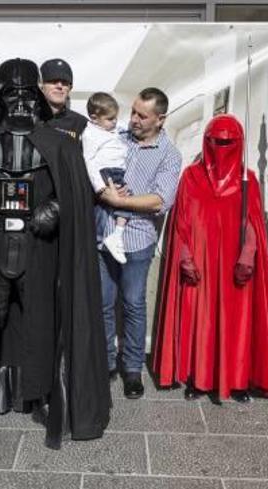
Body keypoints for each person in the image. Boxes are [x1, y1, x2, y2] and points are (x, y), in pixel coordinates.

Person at [0, 58, 110, 449]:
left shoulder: (60, 144)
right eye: (12, 93)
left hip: (40, 247)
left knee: (41, 324)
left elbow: (77, 197)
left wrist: (56, 209)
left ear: (40, 96)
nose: (21, 101)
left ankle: (41, 395)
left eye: (28, 93)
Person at [152, 114, 268, 403]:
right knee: (202, 321)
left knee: (238, 323)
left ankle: (237, 380)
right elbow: (181, 223)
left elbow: (254, 223)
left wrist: (248, 255)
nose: (222, 147)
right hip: (201, 265)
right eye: (216, 142)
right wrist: (185, 257)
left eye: (228, 143)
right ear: (207, 142)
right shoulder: (191, 177)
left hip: (235, 267)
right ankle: (200, 378)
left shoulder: (249, 180)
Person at [97, 87, 182, 399]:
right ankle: (106, 363)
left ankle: (132, 369)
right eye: (132, 111)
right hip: (104, 235)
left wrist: (116, 200)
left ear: (160, 119)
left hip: (138, 240)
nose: (132, 119)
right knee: (103, 303)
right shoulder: (116, 136)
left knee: (133, 304)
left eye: (141, 115)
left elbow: (161, 200)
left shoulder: (169, 154)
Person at [82, 92, 129, 263]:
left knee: (123, 201)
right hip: (106, 173)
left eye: (116, 118)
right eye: (110, 119)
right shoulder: (90, 135)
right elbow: (88, 161)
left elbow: (123, 126)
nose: (114, 121)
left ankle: (114, 236)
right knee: (111, 206)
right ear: (94, 118)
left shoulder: (112, 128)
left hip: (117, 171)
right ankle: (103, 241)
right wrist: (100, 186)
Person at [40, 58, 88, 140]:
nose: (59, 86)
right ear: (41, 86)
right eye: (53, 81)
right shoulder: (30, 119)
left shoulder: (81, 123)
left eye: (65, 83)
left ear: (70, 88)